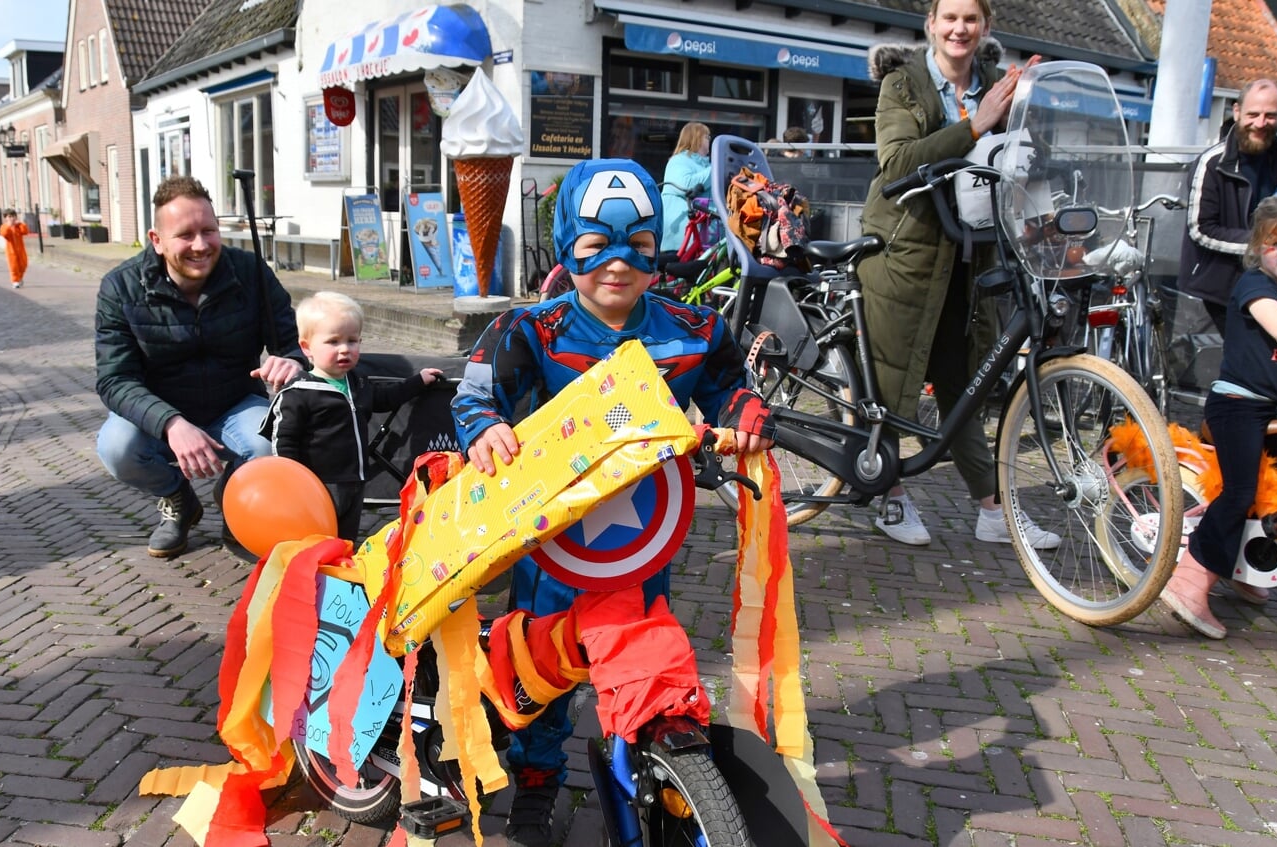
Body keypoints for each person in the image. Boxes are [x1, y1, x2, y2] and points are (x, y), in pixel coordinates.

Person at [452, 158, 774, 847]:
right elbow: (474, 394)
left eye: (640, 247)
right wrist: (485, 429)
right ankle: (536, 781)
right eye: (595, 248)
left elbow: (727, 385)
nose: (619, 265)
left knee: (642, 644)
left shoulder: (694, 326)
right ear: (567, 245)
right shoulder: (529, 329)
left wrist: (744, 413)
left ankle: (652, 767)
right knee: (542, 665)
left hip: (642, 535)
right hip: (551, 538)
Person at [856, 0, 1058, 549]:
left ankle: (993, 511)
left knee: (967, 384)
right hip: (906, 254)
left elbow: (1025, 158)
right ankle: (891, 498)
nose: (959, 28)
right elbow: (897, 163)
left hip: (972, 258)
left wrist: (1029, 116)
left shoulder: (998, 82)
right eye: (950, 17)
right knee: (893, 383)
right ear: (932, 25)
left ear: (985, 27)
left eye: (970, 18)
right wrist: (975, 123)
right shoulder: (903, 83)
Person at [95, 175, 305, 559]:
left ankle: (235, 502)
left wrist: (290, 361)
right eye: (185, 234)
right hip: (159, 411)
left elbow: (294, 345)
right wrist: (171, 423)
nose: (201, 245)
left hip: (235, 402)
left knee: (272, 442)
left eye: (209, 231)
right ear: (156, 240)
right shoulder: (120, 287)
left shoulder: (252, 272)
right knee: (116, 448)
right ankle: (178, 499)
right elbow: (114, 379)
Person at [1162, 193, 1277, 639]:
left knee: (1267, 492)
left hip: (1266, 407)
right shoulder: (1256, 288)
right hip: (1235, 405)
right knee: (1239, 491)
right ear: (1257, 247)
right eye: (1276, 243)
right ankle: (1188, 582)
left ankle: (1243, 566)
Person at [260, 291, 442, 541]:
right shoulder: (298, 393)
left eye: (352, 340)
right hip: (320, 484)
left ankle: (343, 572)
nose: (345, 349)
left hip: (354, 480)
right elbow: (284, 442)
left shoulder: (356, 383)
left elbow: (384, 399)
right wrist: (294, 485)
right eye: (333, 342)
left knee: (346, 539)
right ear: (306, 348)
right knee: (317, 538)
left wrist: (418, 381)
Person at [1179, 79, 1277, 335]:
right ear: (1237, 112)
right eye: (1253, 114)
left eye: (1270, 116)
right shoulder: (1212, 163)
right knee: (1226, 362)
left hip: (1271, 277)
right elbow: (1201, 229)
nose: (1260, 123)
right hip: (1218, 286)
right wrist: (1260, 245)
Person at [659, 121, 713, 254]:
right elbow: (685, 185)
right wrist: (716, 168)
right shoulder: (678, 161)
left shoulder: (705, 166)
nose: (710, 140)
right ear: (695, 138)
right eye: (706, 137)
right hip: (680, 236)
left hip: (702, 235)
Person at [0, 209, 30, 290]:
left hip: (21, 250)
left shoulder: (18, 226)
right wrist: (8, 225)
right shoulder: (4, 226)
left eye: (13, 216)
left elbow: (25, 231)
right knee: (14, 266)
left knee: (24, 264)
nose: (12, 218)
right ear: (6, 218)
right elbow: (4, 234)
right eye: (9, 216)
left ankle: (20, 277)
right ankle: (15, 281)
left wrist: (20, 223)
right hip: (11, 251)